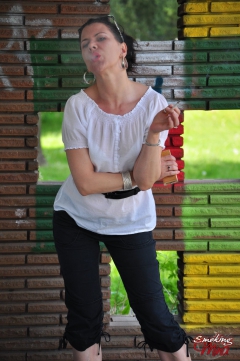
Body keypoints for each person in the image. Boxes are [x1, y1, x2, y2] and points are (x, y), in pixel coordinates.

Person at [53, 15, 192, 361]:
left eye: (100, 39)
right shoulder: (78, 106)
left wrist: (151, 135)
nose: (92, 47)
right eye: (85, 44)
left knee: (157, 318)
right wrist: (138, 176)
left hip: (131, 219)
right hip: (76, 218)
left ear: (122, 51)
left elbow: (147, 181)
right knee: (84, 318)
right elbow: (85, 183)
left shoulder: (154, 105)